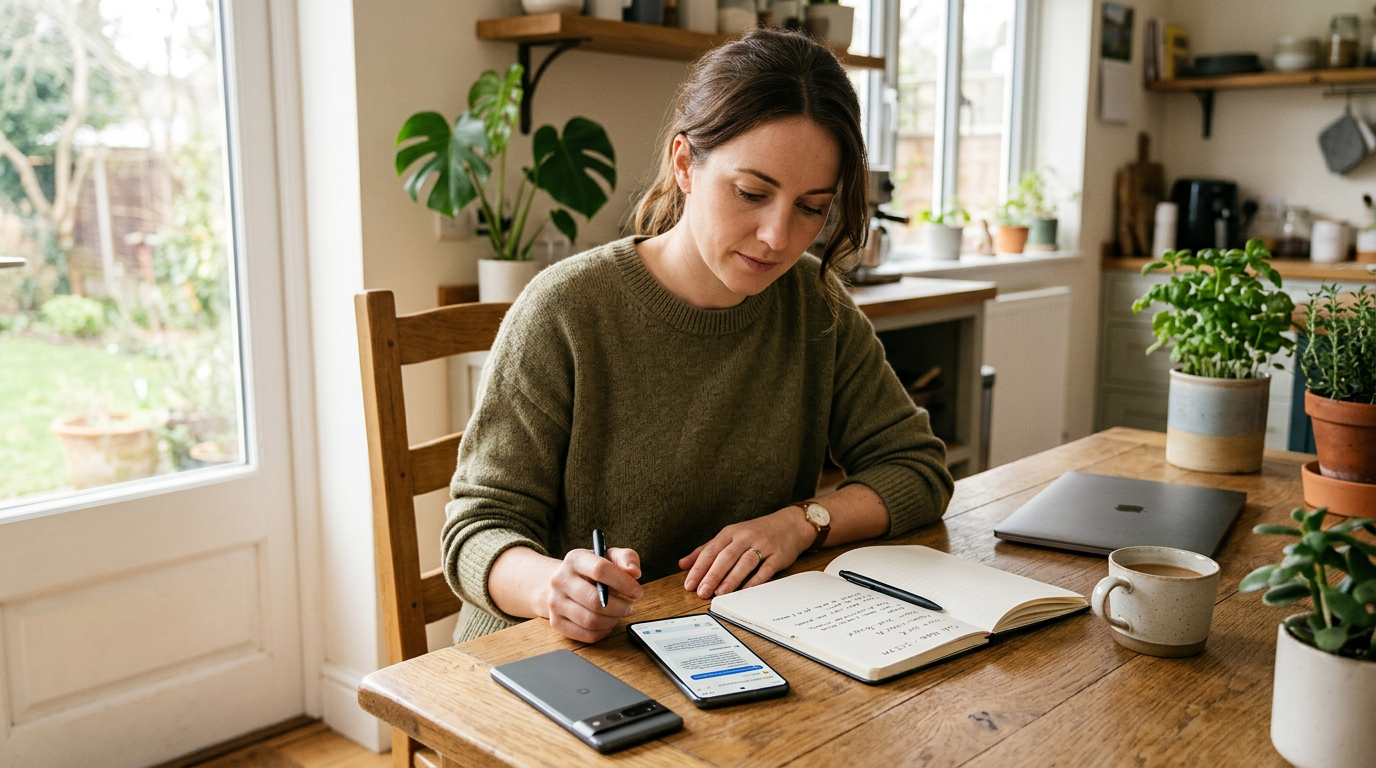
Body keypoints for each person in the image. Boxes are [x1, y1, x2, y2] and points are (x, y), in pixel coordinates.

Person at [441, 27, 954, 644]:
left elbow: (917, 469)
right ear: (685, 164)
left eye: (811, 207)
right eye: (751, 193)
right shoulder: (565, 309)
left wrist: (801, 522)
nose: (777, 236)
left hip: (727, 636)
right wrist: (554, 587)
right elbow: (479, 526)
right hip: (549, 651)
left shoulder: (816, 305)